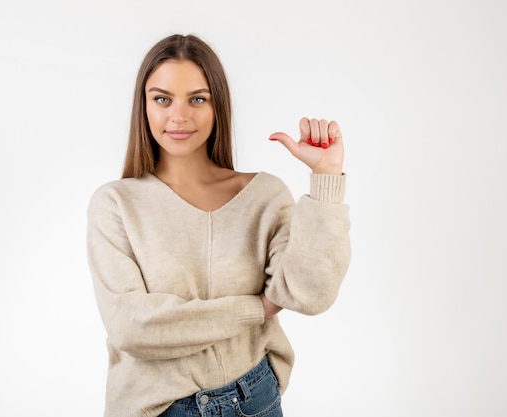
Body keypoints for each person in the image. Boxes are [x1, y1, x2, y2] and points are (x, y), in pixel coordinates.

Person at [86, 33, 350, 417]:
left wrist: (327, 178)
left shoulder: (264, 195)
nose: (179, 116)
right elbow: (132, 327)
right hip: (154, 408)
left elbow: (309, 294)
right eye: (162, 99)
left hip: (253, 398)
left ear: (217, 106)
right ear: (143, 106)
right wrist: (255, 309)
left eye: (197, 99)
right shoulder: (115, 204)